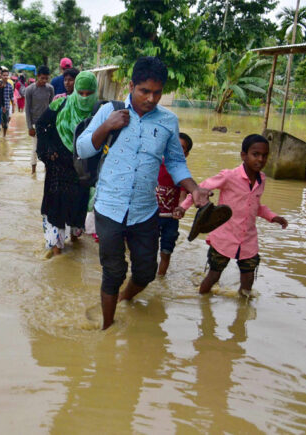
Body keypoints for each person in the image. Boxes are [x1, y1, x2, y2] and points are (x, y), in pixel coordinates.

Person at [76, 56, 211, 330]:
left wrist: (194, 189)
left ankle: (125, 298)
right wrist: (107, 126)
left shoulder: (168, 122)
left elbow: (175, 162)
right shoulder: (108, 111)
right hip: (109, 207)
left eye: (157, 92)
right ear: (131, 86)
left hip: (144, 210)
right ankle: (107, 328)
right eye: (144, 91)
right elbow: (82, 149)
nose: (151, 98)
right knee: (113, 271)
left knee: (146, 272)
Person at [179, 134, 288, 297]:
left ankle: (242, 314)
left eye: (264, 155)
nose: (260, 159)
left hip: (248, 240)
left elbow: (255, 206)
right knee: (214, 275)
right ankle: (201, 302)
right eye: (255, 154)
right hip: (224, 237)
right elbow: (199, 190)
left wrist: (273, 217)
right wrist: (182, 208)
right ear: (243, 155)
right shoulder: (229, 176)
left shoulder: (262, 179)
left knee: (248, 279)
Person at [36, 71, 98, 256]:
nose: (84, 97)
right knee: (57, 206)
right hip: (59, 168)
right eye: (81, 93)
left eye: (88, 93)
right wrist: (47, 152)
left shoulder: (99, 111)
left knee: (77, 206)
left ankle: (75, 237)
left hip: (82, 170)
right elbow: (41, 125)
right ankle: (56, 248)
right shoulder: (60, 104)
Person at [156, 132, 193, 276]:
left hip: (170, 219)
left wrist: (181, 208)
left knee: (166, 252)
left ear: (186, 154)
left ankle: (160, 278)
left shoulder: (183, 174)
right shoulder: (156, 165)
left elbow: (183, 195)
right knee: (147, 249)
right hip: (150, 216)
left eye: (181, 148)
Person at [24, 66, 54, 174]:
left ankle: (47, 169)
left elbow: (52, 106)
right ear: (37, 77)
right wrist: (29, 127)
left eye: (46, 78)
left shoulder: (50, 88)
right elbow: (27, 109)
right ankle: (33, 171)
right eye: (42, 78)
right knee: (35, 148)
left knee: (48, 147)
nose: (44, 81)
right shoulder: (30, 89)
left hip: (48, 123)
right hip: (35, 123)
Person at [1, 69, 14, 137]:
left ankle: (4, 136)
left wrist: (13, 107)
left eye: (7, 75)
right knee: (0, 122)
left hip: (7, 107)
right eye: (4, 75)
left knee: (6, 124)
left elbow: (11, 97)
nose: (5, 77)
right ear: (1, 76)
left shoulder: (10, 86)